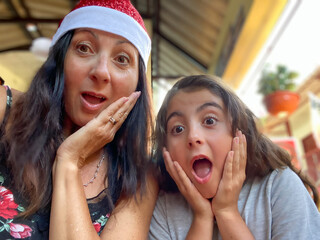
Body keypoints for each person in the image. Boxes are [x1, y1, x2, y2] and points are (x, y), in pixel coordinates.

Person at [0, 0, 158, 239]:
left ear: (138, 84)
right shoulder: (5, 108)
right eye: (84, 48)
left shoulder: (138, 176)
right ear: (59, 60)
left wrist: (70, 160)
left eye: (122, 59)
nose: (101, 72)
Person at [149, 75, 320, 240]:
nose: (193, 137)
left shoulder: (278, 187)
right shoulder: (162, 209)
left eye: (209, 121)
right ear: (167, 152)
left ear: (240, 132)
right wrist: (202, 217)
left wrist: (226, 211)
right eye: (178, 129)